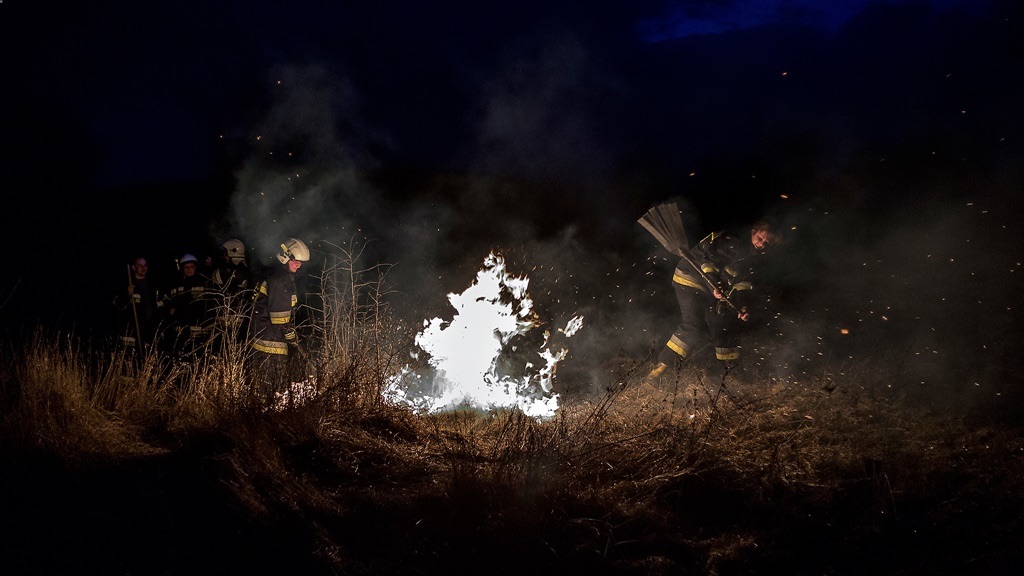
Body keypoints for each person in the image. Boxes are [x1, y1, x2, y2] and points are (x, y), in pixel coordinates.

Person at [645, 220, 782, 384]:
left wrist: (741, 307)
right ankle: (657, 372)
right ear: (754, 231)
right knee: (693, 326)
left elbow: (741, 285)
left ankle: (730, 374)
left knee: (725, 323)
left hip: (711, 288)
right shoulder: (731, 240)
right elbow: (709, 263)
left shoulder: (752, 259)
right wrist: (715, 286)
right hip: (689, 277)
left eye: (767, 243)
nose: (762, 245)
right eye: (760, 238)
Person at [248, 237, 310, 404]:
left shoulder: (276, 276)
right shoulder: (281, 281)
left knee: (264, 389)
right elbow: (280, 318)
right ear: (285, 257)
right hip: (271, 343)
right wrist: (291, 336)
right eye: (296, 261)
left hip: (266, 338)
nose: (299, 265)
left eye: (301, 262)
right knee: (272, 390)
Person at [112, 256, 166, 360]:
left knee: (150, 355)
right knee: (132, 357)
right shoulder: (127, 284)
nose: (143, 268)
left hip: (150, 327)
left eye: (145, 265)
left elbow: (161, 303)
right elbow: (117, 305)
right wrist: (126, 295)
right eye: (140, 266)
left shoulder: (153, 284)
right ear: (133, 267)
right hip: (133, 327)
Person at [166, 253, 213, 361]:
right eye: (186, 267)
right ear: (182, 268)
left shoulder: (204, 281)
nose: (189, 270)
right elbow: (171, 302)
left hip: (199, 326)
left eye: (191, 267)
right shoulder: (177, 284)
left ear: (196, 267)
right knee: (181, 356)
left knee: (198, 356)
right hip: (182, 327)